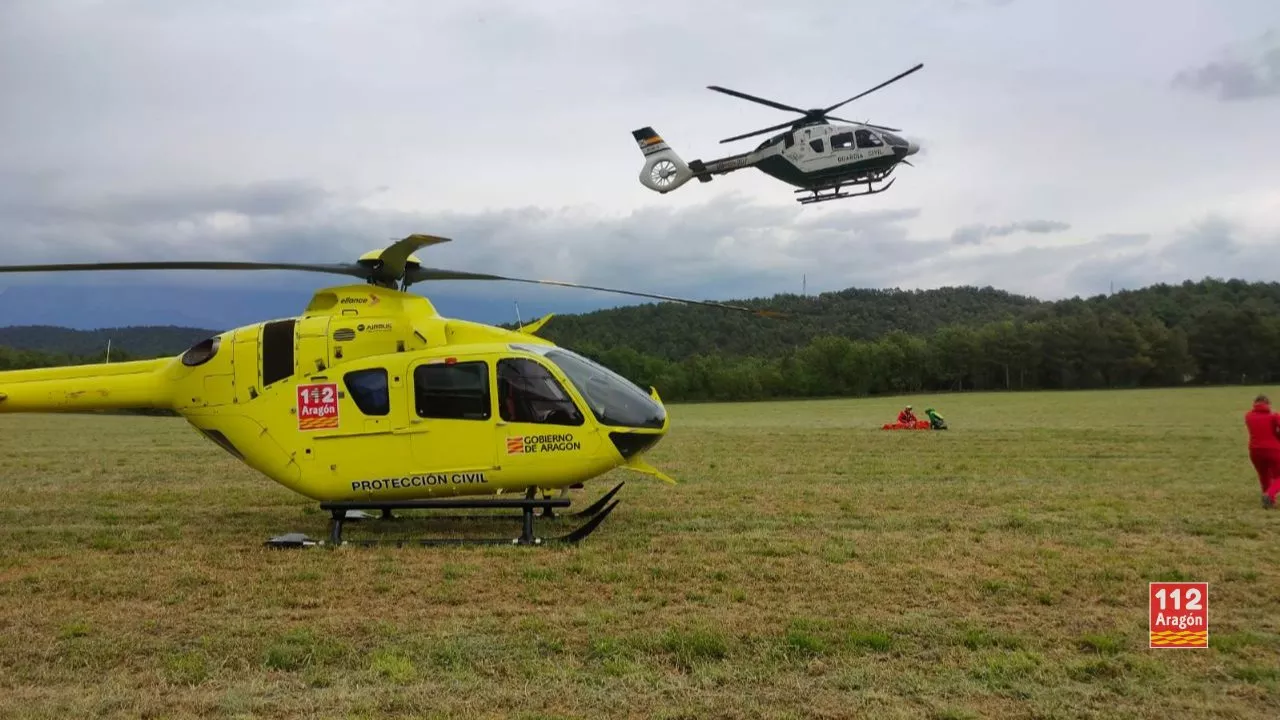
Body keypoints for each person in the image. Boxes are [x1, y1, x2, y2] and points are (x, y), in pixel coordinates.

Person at [1244, 394, 1280, 509]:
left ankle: (1269, 500)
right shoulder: (1273, 416)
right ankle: (1270, 494)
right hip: (1273, 449)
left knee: (1264, 475)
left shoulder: (1248, 415)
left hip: (1254, 450)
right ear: (1268, 404)